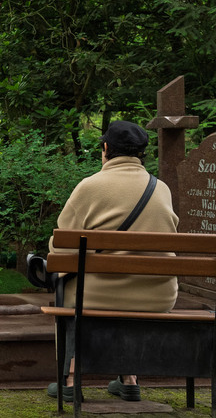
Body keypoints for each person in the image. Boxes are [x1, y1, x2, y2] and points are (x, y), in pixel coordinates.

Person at [46, 120, 178, 403]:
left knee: (65, 285)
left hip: (96, 295)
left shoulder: (90, 186)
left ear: (105, 148)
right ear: (142, 153)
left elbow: (61, 247)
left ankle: (70, 379)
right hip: (156, 296)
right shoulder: (162, 189)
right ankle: (129, 379)